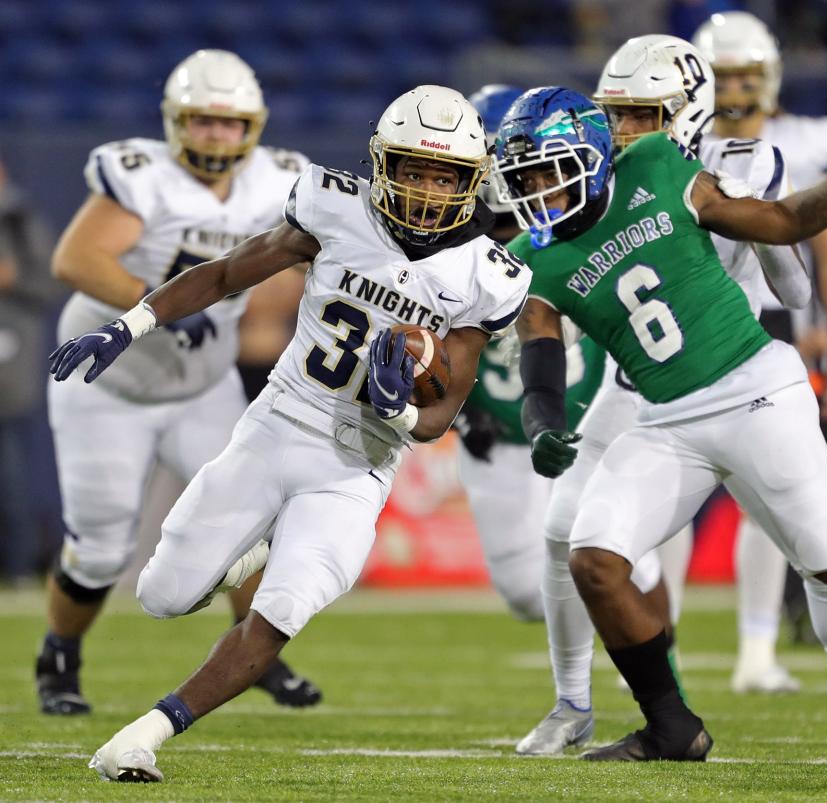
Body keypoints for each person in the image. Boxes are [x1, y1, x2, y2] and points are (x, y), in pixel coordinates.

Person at [50, 84, 531, 783]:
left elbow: (436, 419)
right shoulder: (335, 207)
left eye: (445, 176)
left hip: (359, 461)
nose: (427, 190)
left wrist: (396, 406)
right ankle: (253, 549)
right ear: (380, 163)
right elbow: (222, 274)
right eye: (414, 169)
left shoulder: (488, 273)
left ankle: (141, 735)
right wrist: (130, 325)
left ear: (470, 181)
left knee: (282, 610)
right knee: (163, 595)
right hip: (279, 422)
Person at [499, 86, 827, 763]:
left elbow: (779, 220)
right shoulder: (541, 257)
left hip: (754, 391)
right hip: (663, 421)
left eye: (548, 170)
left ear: (592, 155)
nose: (537, 190)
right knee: (592, 557)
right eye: (525, 178)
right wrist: (543, 423)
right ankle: (672, 726)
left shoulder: (655, 165)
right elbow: (537, 348)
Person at [38, 49, 320, 716]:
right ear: (174, 123)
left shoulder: (278, 181)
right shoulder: (144, 177)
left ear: (254, 126)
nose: (216, 136)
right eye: (201, 122)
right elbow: (75, 257)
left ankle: (255, 655)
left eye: (229, 124)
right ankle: (59, 655)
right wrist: (150, 306)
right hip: (106, 385)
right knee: (103, 547)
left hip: (202, 384)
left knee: (250, 523)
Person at [691, 10, 827, 647]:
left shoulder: (809, 140)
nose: (734, 91)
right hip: (689, 327)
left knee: (782, 500)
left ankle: (762, 647)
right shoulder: (678, 145)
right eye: (722, 77)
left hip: (772, 329)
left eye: (745, 76)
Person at [455, 84, 608, 622]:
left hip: (584, 415)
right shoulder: (447, 242)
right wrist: (462, 412)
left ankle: (639, 641)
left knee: (606, 554)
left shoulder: (578, 222)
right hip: (496, 428)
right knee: (525, 591)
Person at [0, 157, 60, 582]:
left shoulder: (20, 221)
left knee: (10, 472)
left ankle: (18, 566)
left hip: (9, 360)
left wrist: (12, 278)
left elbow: (51, 281)